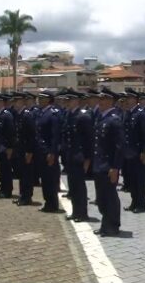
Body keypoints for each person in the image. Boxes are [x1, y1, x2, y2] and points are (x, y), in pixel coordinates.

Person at [92, 88, 125, 236]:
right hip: (100, 164)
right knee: (102, 197)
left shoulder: (114, 119)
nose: (101, 101)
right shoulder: (102, 118)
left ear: (111, 101)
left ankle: (112, 225)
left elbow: (118, 147)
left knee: (109, 197)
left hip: (108, 166)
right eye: (100, 99)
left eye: (104, 99)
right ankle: (106, 224)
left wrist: (115, 167)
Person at [61, 89, 93, 222]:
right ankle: (75, 212)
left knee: (79, 187)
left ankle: (82, 213)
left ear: (76, 101)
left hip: (79, 156)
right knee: (73, 186)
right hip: (70, 155)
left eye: (70, 100)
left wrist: (87, 159)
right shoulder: (68, 115)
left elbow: (88, 140)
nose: (67, 103)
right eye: (67, 100)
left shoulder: (83, 116)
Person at [122, 88, 145, 213]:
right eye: (126, 98)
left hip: (139, 153)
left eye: (129, 98)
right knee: (132, 179)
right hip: (130, 152)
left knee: (140, 180)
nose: (127, 101)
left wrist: (144, 151)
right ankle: (134, 202)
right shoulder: (127, 113)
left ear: (135, 99)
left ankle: (141, 204)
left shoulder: (141, 114)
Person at [35, 91, 63, 213]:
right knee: (45, 180)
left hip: (48, 152)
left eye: (42, 98)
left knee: (50, 180)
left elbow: (55, 135)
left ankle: (52, 204)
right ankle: (48, 202)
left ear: (48, 99)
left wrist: (52, 153)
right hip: (42, 151)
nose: (39, 100)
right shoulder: (42, 112)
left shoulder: (53, 114)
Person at [0, 94, 16, 199]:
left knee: (6, 171)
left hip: (6, 147)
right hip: (1, 146)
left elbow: (11, 133)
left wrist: (10, 148)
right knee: (2, 170)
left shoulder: (7, 115)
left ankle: (7, 191)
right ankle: (3, 189)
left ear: (2, 103)